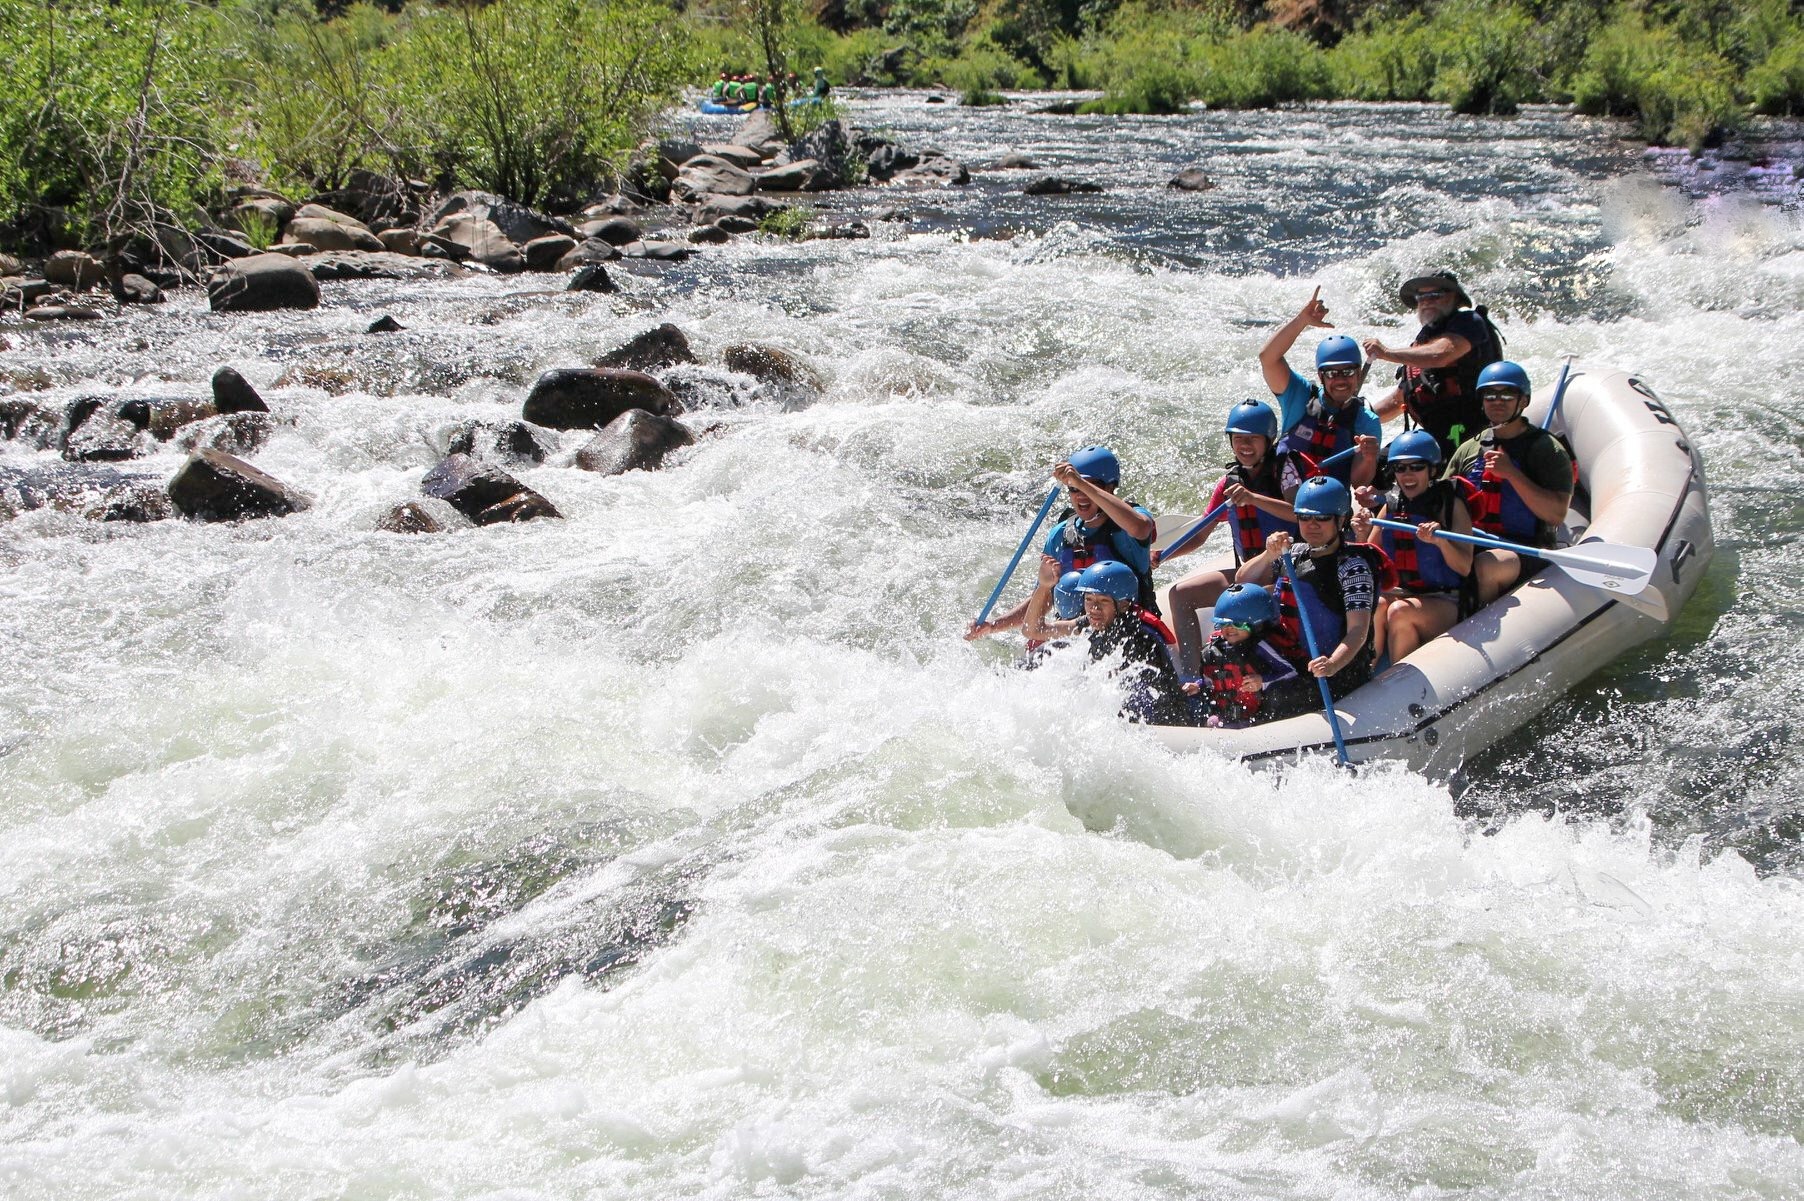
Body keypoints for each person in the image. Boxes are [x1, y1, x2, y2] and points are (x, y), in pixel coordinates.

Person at [1157, 399, 1310, 675]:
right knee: (1180, 595)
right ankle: (1193, 679)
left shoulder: (1285, 470)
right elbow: (1200, 535)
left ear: (1268, 440)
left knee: (1244, 600)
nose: (1245, 446)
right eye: (1238, 439)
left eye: (1252, 439)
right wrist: (1163, 556)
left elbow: (1302, 514)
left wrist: (1253, 498)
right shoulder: (1229, 484)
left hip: (1286, 574)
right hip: (1248, 573)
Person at [965, 445, 1158, 642]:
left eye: (1090, 487)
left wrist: (1080, 482)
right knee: (1068, 584)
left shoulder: (1131, 521)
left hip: (1130, 634)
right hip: (1075, 634)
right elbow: (1043, 600)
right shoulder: (1061, 534)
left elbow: (1141, 528)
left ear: (1110, 488)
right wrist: (993, 625)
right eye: (1074, 489)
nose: (1081, 495)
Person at [1237, 475, 1394, 699]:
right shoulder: (1294, 553)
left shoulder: (1353, 568)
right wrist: (1267, 556)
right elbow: (1243, 582)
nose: (1311, 526)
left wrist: (1332, 664)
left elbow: (1357, 630)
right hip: (1291, 666)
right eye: (1304, 517)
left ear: (1341, 521)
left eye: (1321, 518)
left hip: (1335, 673)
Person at [1446, 360, 1574, 605]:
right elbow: (1442, 500)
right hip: (1475, 542)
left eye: (1507, 394)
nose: (1497, 401)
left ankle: (1480, 624)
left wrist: (1512, 475)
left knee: (1487, 564)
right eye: (1490, 395)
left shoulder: (1547, 450)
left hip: (1528, 549)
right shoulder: (1469, 449)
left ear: (1523, 401)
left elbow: (1556, 514)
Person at [1026, 561, 1193, 727]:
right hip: (1130, 716)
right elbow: (1033, 630)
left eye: (1103, 601)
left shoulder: (1138, 640)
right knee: (1043, 654)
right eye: (1089, 599)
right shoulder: (1098, 621)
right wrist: (1043, 586)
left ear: (1123, 604)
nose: (1094, 608)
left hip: (1159, 723)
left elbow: (1137, 701)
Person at [1365, 429, 1477, 663]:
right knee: (1375, 603)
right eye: (1400, 468)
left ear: (1432, 470)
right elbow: (1369, 555)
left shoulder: (1450, 503)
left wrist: (1440, 542)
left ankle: (1398, 683)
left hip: (1448, 600)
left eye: (1416, 467)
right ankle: (1368, 673)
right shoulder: (1392, 505)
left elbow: (1464, 567)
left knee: (1399, 613)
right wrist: (1359, 530)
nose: (1407, 475)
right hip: (1407, 593)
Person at [1365, 271, 1504, 458]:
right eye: (1421, 296)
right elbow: (1398, 401)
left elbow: (1441, 354)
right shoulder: (1423, 340)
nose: (1427, 301)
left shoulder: (1469, 322)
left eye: (1435, 295)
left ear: (1454, 297)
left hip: (1472, 433)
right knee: (1378, 466)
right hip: (1436, 434)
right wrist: (1360, 417)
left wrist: (1386, 353)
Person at [1258, 286, 1381, 488]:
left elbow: (1358, 481)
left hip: (1327, 513)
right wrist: (1302, 321)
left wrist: (1368, 458)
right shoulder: (1300, 396)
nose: (1341, 380)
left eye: (1348, 372)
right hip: (1286, 503)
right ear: (1320, 376)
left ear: (1359, 374)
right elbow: (1268, 358)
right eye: (1332, 373)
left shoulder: (1367, 421)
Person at [1180, 583, 1304, 727]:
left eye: (1238, 624)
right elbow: (1211, 682)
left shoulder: (1261, 647)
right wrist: (1198, 686)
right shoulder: (1215, 649)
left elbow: (1291, 672)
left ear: (1256, 624)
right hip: (1226, 713)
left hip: (1259, 716)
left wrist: (1262, 681)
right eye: (1223, 625)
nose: (1230, 629)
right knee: (1209, 721)